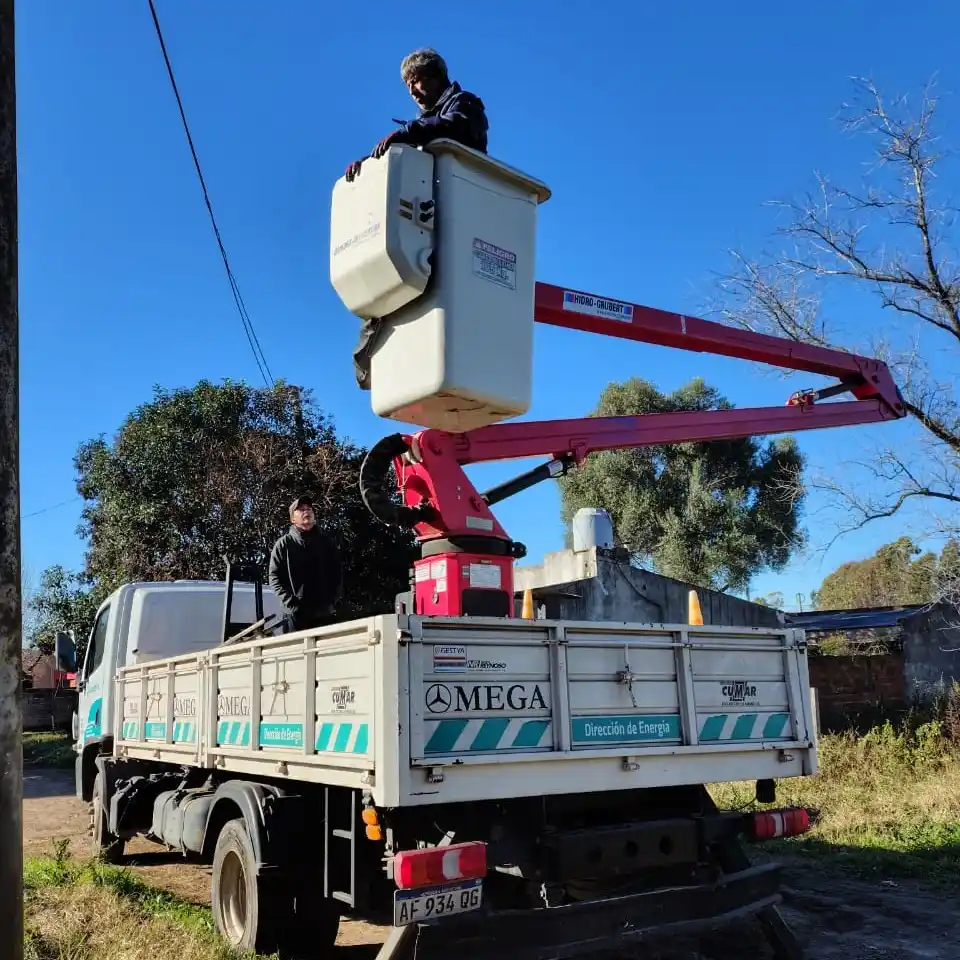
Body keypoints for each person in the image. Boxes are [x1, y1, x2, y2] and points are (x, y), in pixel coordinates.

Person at [347, 48, 489, 390]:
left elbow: (455, 127)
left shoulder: (465, 106)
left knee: (425, 283)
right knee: (388, 283)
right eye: (408, 84)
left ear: (437, 76)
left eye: (418, 80)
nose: (413, 89)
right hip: (424, 216)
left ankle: (422, 367)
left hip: (456, 213)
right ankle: (376, 369)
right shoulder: (421, 128)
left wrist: (409, 131)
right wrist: (367, 165)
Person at [268, 495, 343, 632]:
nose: (306, 512)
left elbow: (337, 574)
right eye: (301, 509)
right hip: (295, 616)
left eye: (309, 509)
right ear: (293, 519)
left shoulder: (326, 542)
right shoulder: (283, 545)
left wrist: (331, 602)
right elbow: (274, 577)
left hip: (324, 614)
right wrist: (291, 604)